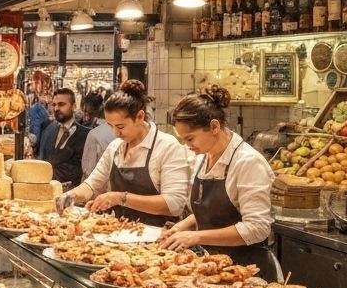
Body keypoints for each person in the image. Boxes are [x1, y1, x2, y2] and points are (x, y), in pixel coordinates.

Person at [160, 86, 277, 276]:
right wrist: (182, 227)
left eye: (190, 138)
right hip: (211, 266)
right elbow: (212, 213)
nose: (187, 146)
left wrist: (194, 236)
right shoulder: (201, 158)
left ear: (214, 127)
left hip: (247, 272)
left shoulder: (248, 162)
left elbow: (257, 228)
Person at [63, 80, 190, 227]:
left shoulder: (168, 147)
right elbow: (92, 186)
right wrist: (66, 198)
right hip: (119, 233)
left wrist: (120, 198)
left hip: (158, 238)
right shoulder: (115, 147)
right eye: (111, 126)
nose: (115, 133)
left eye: (121, 126)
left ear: (140, 116)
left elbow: (174, 204)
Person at [36, 87, 89, 188]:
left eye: (61, 104)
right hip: (44, 190)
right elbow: (42, 158)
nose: (56, 109)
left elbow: (80, 171)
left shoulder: (86, 135)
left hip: (71, 195)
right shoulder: (48, 129)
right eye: (54, 105)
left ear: (74, 106)